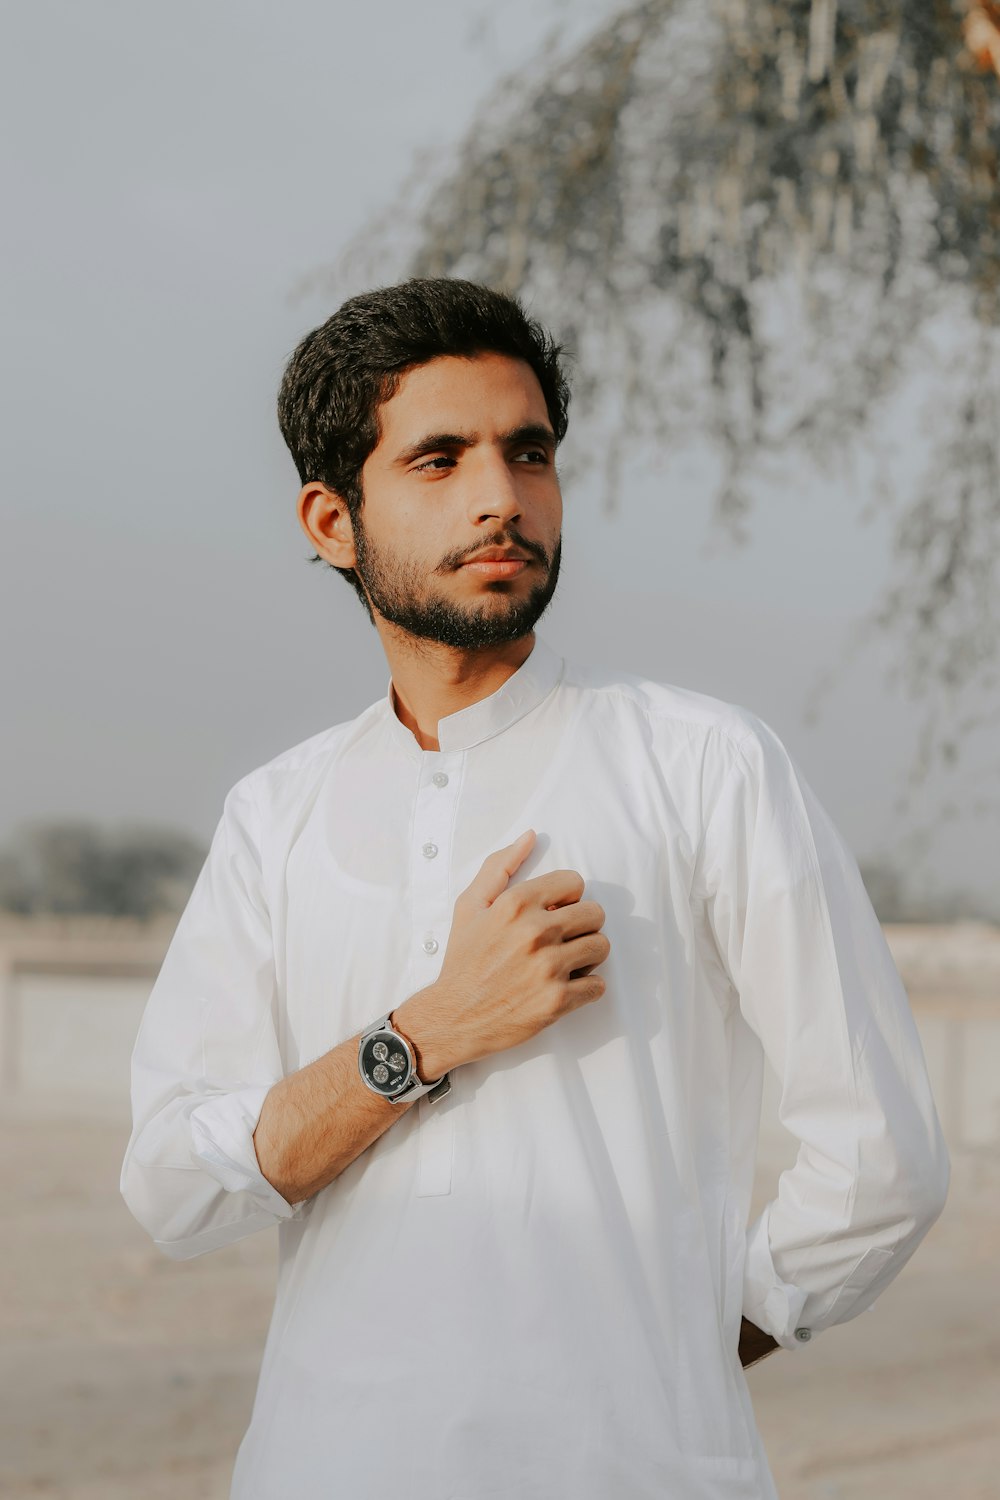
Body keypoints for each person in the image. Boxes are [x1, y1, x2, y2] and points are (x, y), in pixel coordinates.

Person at [121, 277, 950, 1500]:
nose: (502, 498)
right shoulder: (277, 815)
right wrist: (428, 1032)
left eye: (530, 453)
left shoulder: (702, 765)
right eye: (440, 460)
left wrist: (675, 1354)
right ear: (331, 519)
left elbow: (882, 1163)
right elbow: (175, 1186)